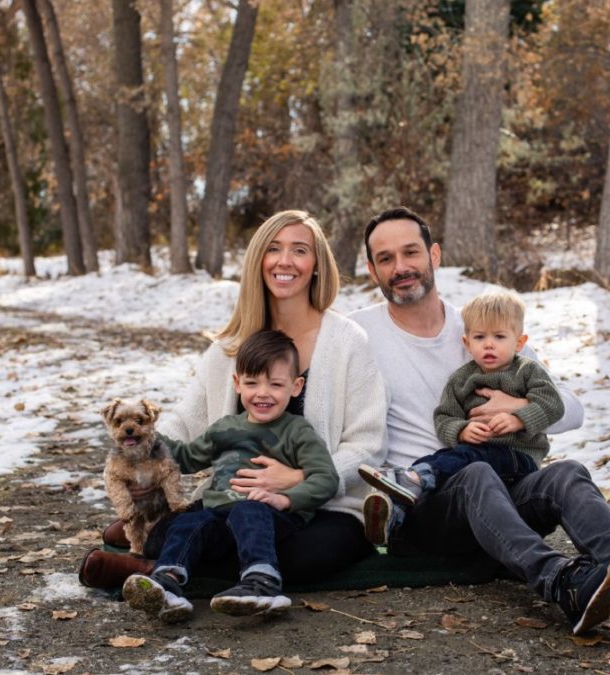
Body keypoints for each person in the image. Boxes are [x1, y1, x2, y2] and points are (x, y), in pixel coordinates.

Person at [349, 206, 610, 636]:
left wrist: (516, 410)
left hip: (502, 494)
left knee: (567, 472)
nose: (401, 267)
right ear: (372, 270)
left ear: (435, 255)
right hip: (429, 507)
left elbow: (570, 407)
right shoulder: (358, 335)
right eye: (386, 259)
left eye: (411, 252)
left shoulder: (484, 326)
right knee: (475, 470)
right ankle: (562, 581)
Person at [85, 210, 387, 588]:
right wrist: (144, 450)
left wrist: (299, 478)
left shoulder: (347, 342)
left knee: (308, 554)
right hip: (228, 501)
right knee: (179, 530)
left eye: (299, 250)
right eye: (273, 249)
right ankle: (168, 559)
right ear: (258, 261)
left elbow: (368, 443)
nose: (285, 261)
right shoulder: (231, 346)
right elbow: (186, 419)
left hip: (316, 508)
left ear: (316, 265)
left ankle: (152, 570)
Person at [121, 330, 339, 622]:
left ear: (296, 386)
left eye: (275, 384)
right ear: (237, 384)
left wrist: (285, 500)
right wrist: (152, 440)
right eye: (252, 383)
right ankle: (167, 585)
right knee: (188, 522)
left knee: (248, 510)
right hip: (219, 514)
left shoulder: (297, 431)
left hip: (270, 514)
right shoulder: (224, 428)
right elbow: (186, 458)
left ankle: (262, 582)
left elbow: (326, 478)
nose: (263, 393)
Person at [357, 289, 565, 541]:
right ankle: (396, 511)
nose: (489, 344)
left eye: (499, 336)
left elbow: (553, 403)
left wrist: (519, 416)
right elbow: (444, 417)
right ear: (467, 343)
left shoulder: (527, 370)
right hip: (480, 462)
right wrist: (461, 430)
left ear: (519, 342)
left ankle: (414, 478)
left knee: (467, 457)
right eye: (480, 337)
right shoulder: (462, 379)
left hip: (519, 457)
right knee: (449, 456)